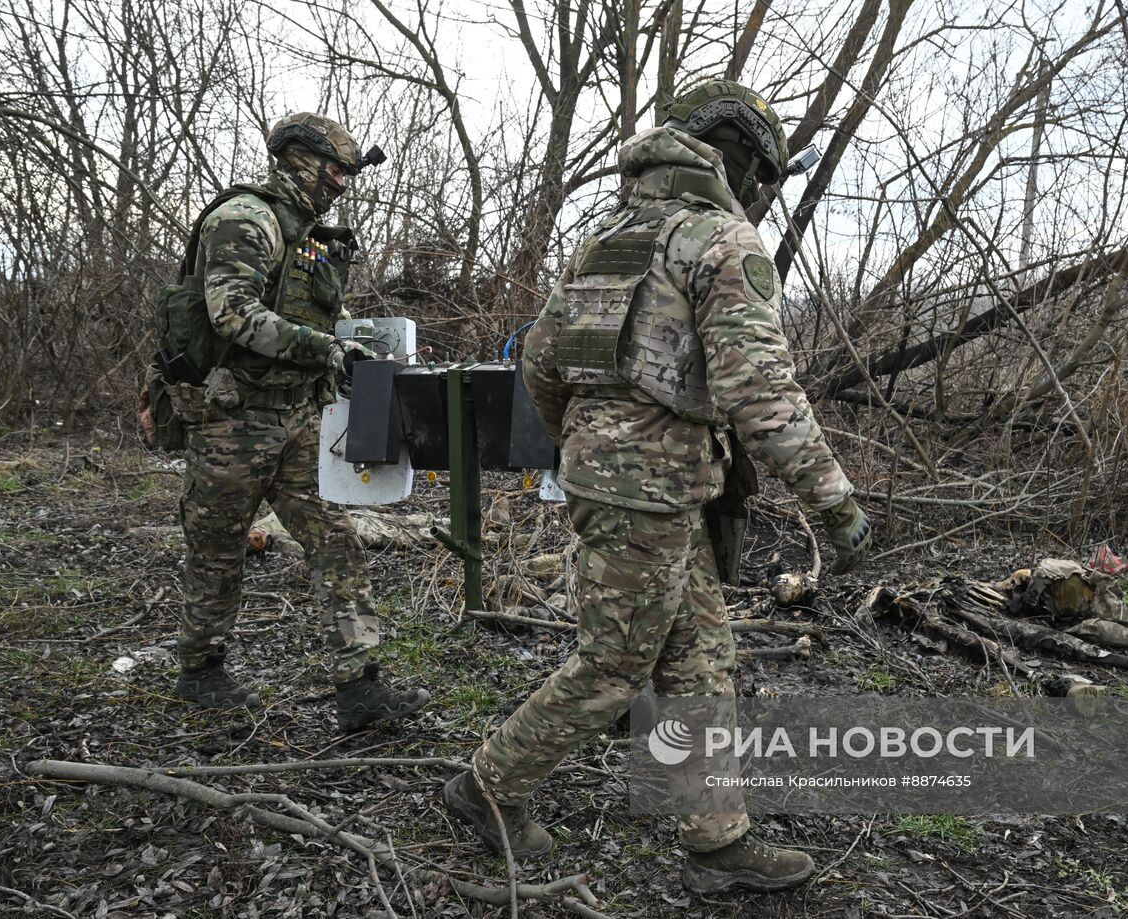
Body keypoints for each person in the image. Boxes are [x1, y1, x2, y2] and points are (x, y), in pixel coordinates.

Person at [442, 81, 871, 893]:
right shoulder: (719, 240)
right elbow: (761, 394)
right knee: (611, 666)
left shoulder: (612, 234)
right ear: (742, 162)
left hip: (638, 486)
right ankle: (485, 788)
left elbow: (540, 359)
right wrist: (835, 503)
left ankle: (716, 843)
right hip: (649, 491)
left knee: (701, 657)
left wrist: (588, 442)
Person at [166, 112, 428, 731]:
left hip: (296, 416)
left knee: (335, 539)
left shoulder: (309, 233)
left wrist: (362, 344)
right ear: (298, 158)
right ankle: (200, 668)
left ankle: (361, 686)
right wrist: (326, 350)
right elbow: (232, 314)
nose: (341, 182)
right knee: (218, 549)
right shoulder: (244, 219)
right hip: (232, 419)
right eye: (335, 168)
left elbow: (310, 315)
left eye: (347, 172)